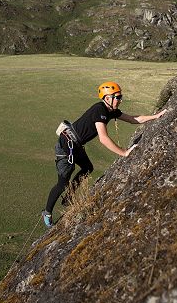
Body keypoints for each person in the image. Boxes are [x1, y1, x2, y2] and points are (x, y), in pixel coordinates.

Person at [42, 81, 167, 227]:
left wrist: (156, 116)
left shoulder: (110, 111)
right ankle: (47, 212)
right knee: (63, 182)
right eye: (118, 97)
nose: (120, 100)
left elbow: (133, 119)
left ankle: (69, 195)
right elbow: (103, 138)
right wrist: (124, 153)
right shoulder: (99, 110)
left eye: (121, 97)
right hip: (66, 146)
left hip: (75, 144)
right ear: (107, 98)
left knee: (88, 168)